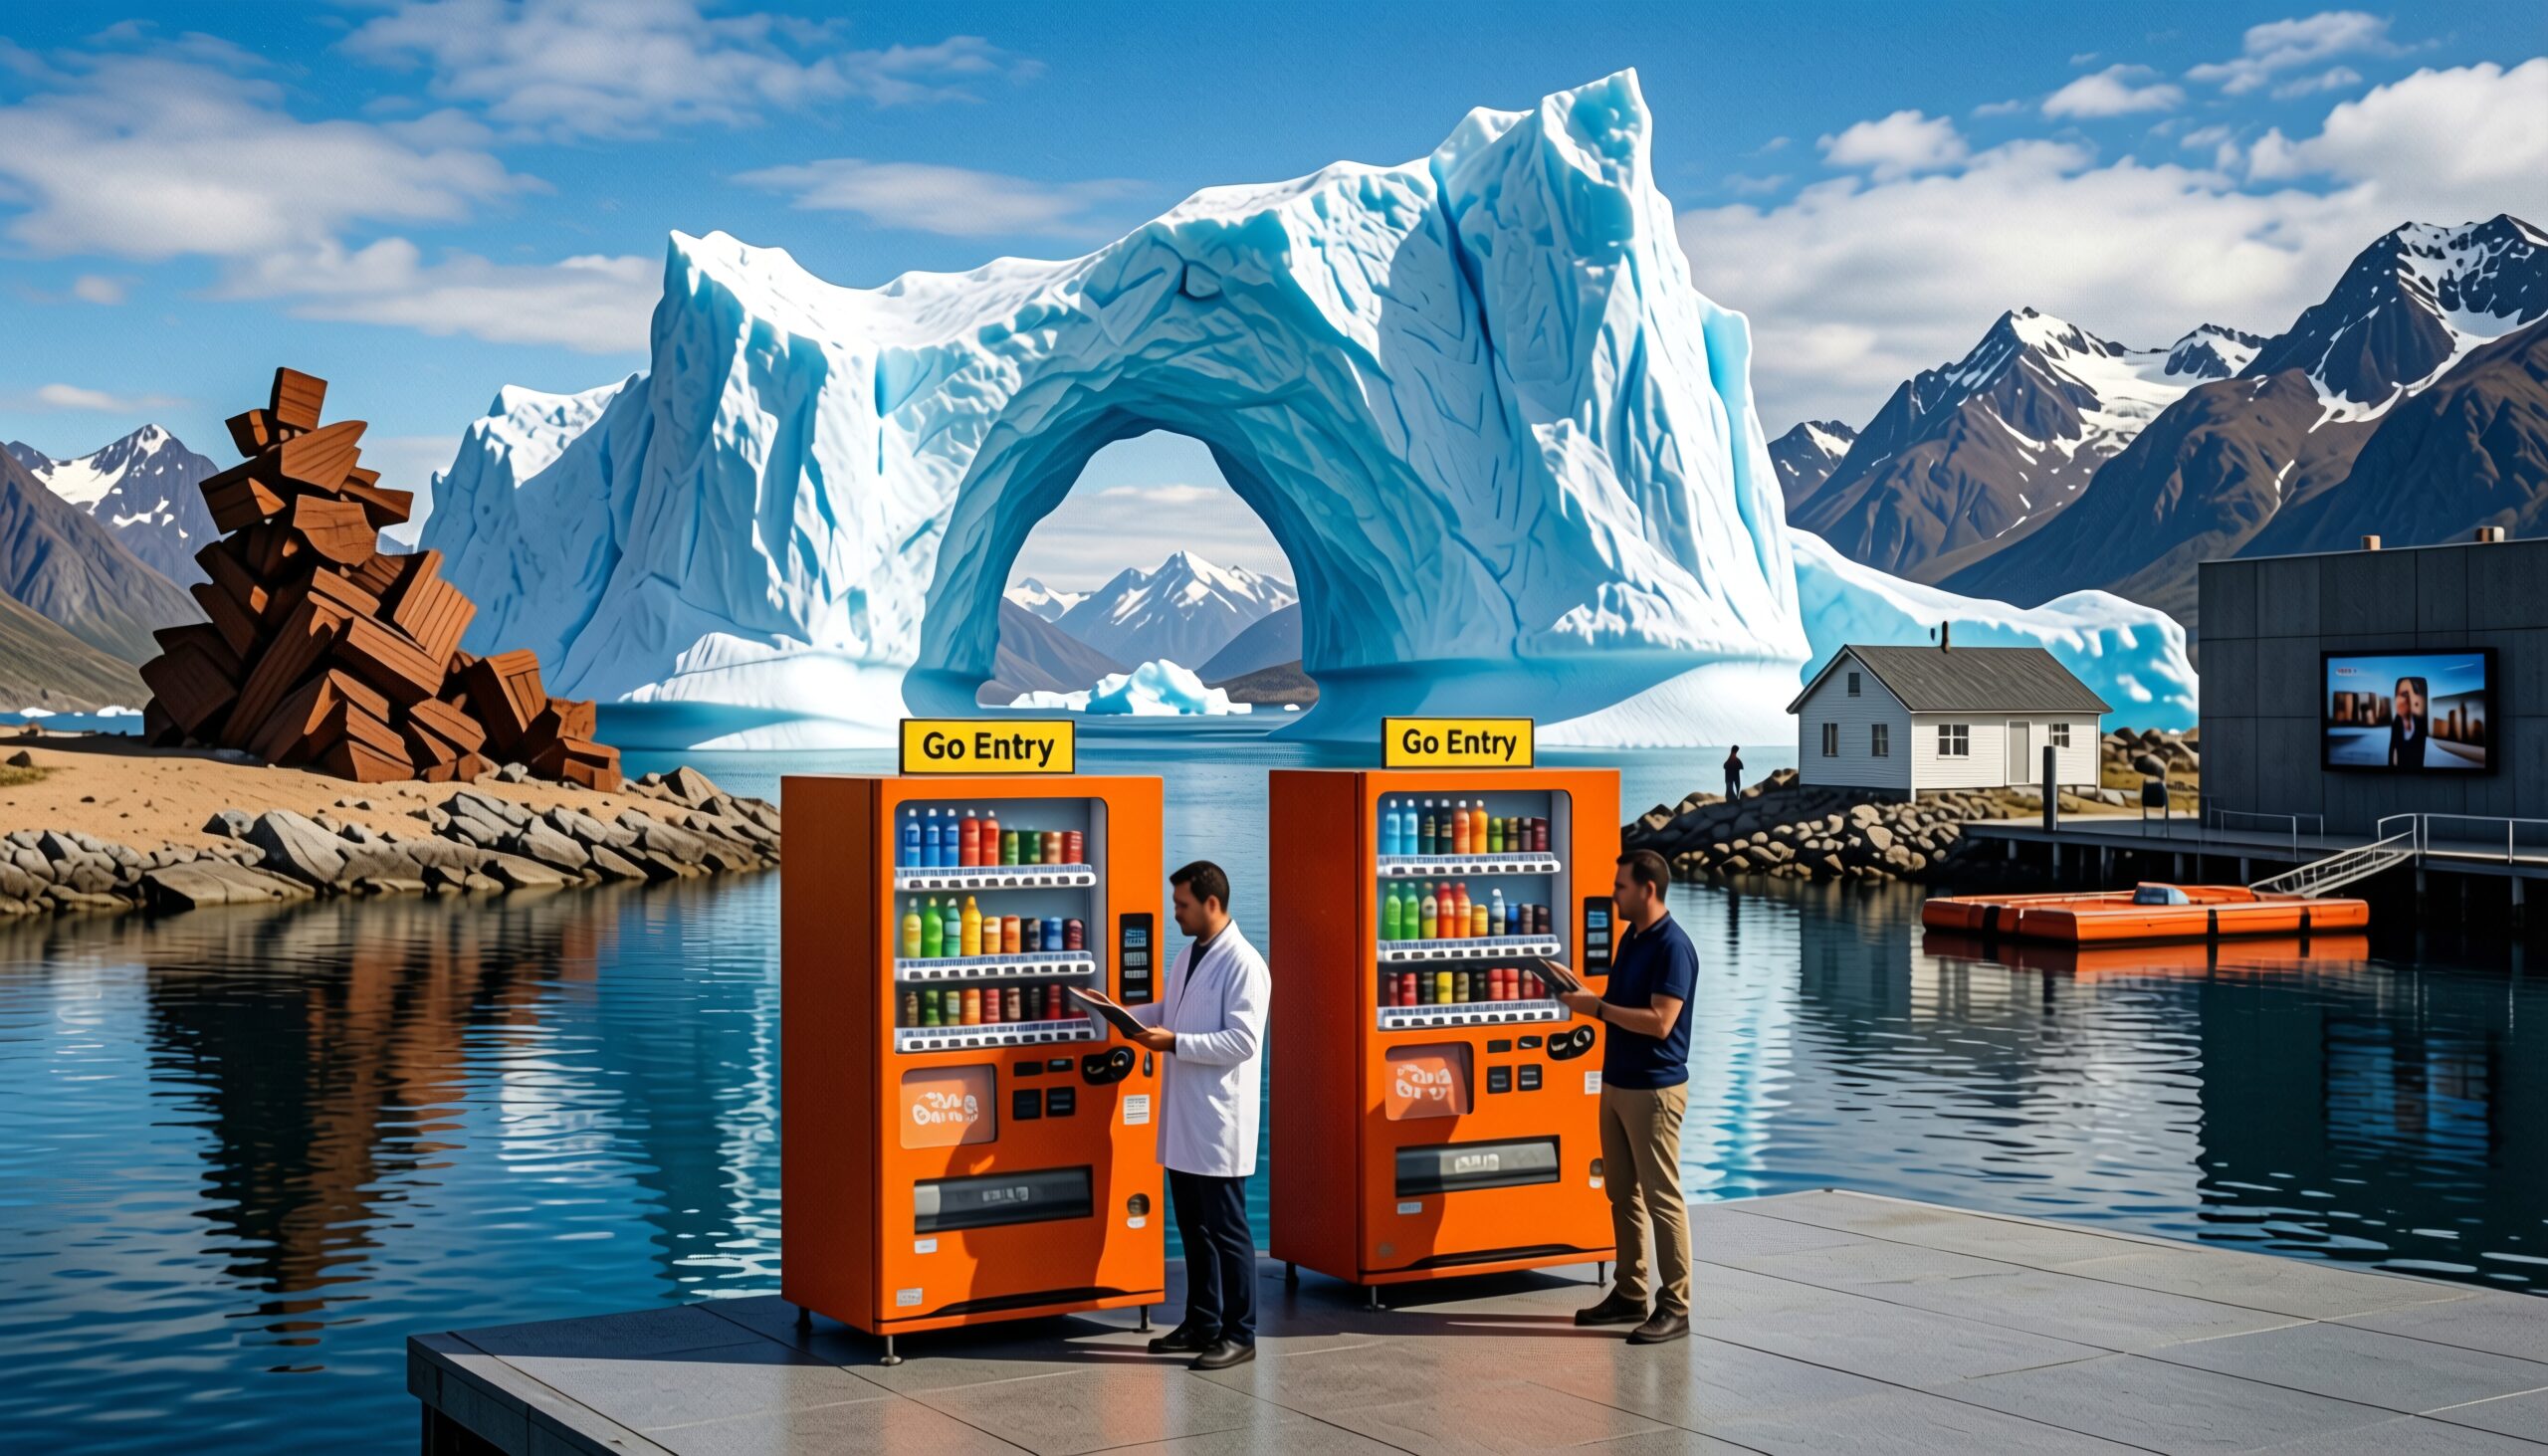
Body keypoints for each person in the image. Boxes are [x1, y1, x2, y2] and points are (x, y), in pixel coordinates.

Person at [1114, 861, 1269, 1370]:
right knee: (1194, 1227)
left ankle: (1240, 1332)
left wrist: (1175, 1043)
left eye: (1181, 905)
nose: (1174, 913)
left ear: (1211, 903)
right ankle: (1201, 1321)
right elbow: (1172, 1011)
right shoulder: (1188, 956)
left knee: (1228, 1230)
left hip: (1218, 1121)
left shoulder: (1245, 964)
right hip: (1183, 1118)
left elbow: (1242, 1041)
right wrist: (1127, 1016)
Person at [1555, 849, 1696, 1346]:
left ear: (1647, 890)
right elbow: (1621, 1007)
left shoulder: (1673, 947)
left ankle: (1675, 1306)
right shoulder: (1631, 938)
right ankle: (1630, 1291)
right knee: (1621, 1192)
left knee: (1662, 1198)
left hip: (1655, 1090)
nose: (1614, 894)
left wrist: (1593, 1008)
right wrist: (1581, 992)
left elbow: (1661, 1022)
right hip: (1616, 1083)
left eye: (1621, 887)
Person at [2390, 677, 2428, 768]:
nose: (2408, 700)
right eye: (2403, 694)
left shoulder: (2421, 725)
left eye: (2407, 695)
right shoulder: (2396, 724)